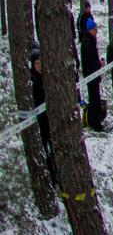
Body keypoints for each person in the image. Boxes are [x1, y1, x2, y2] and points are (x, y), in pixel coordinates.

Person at [30, 49, 57, 184]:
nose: (40, 66)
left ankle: (57, 175)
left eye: (41, 63)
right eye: (37, 63)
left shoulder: (48, 78)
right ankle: (51, 177)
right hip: (40, 121)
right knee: (45, 149)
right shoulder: (32, 81)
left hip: (51, 119)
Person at [80, 18, 105, 130]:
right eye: (95, 29)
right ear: (91, 30)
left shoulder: (90, 40)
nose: (97, 32)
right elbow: (89, 60)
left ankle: (95, 120)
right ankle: (94, 122)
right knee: (94, 99)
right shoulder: (87, 42)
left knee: (95, 97)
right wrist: (98, 64)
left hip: (93, 74)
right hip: (91, 75)